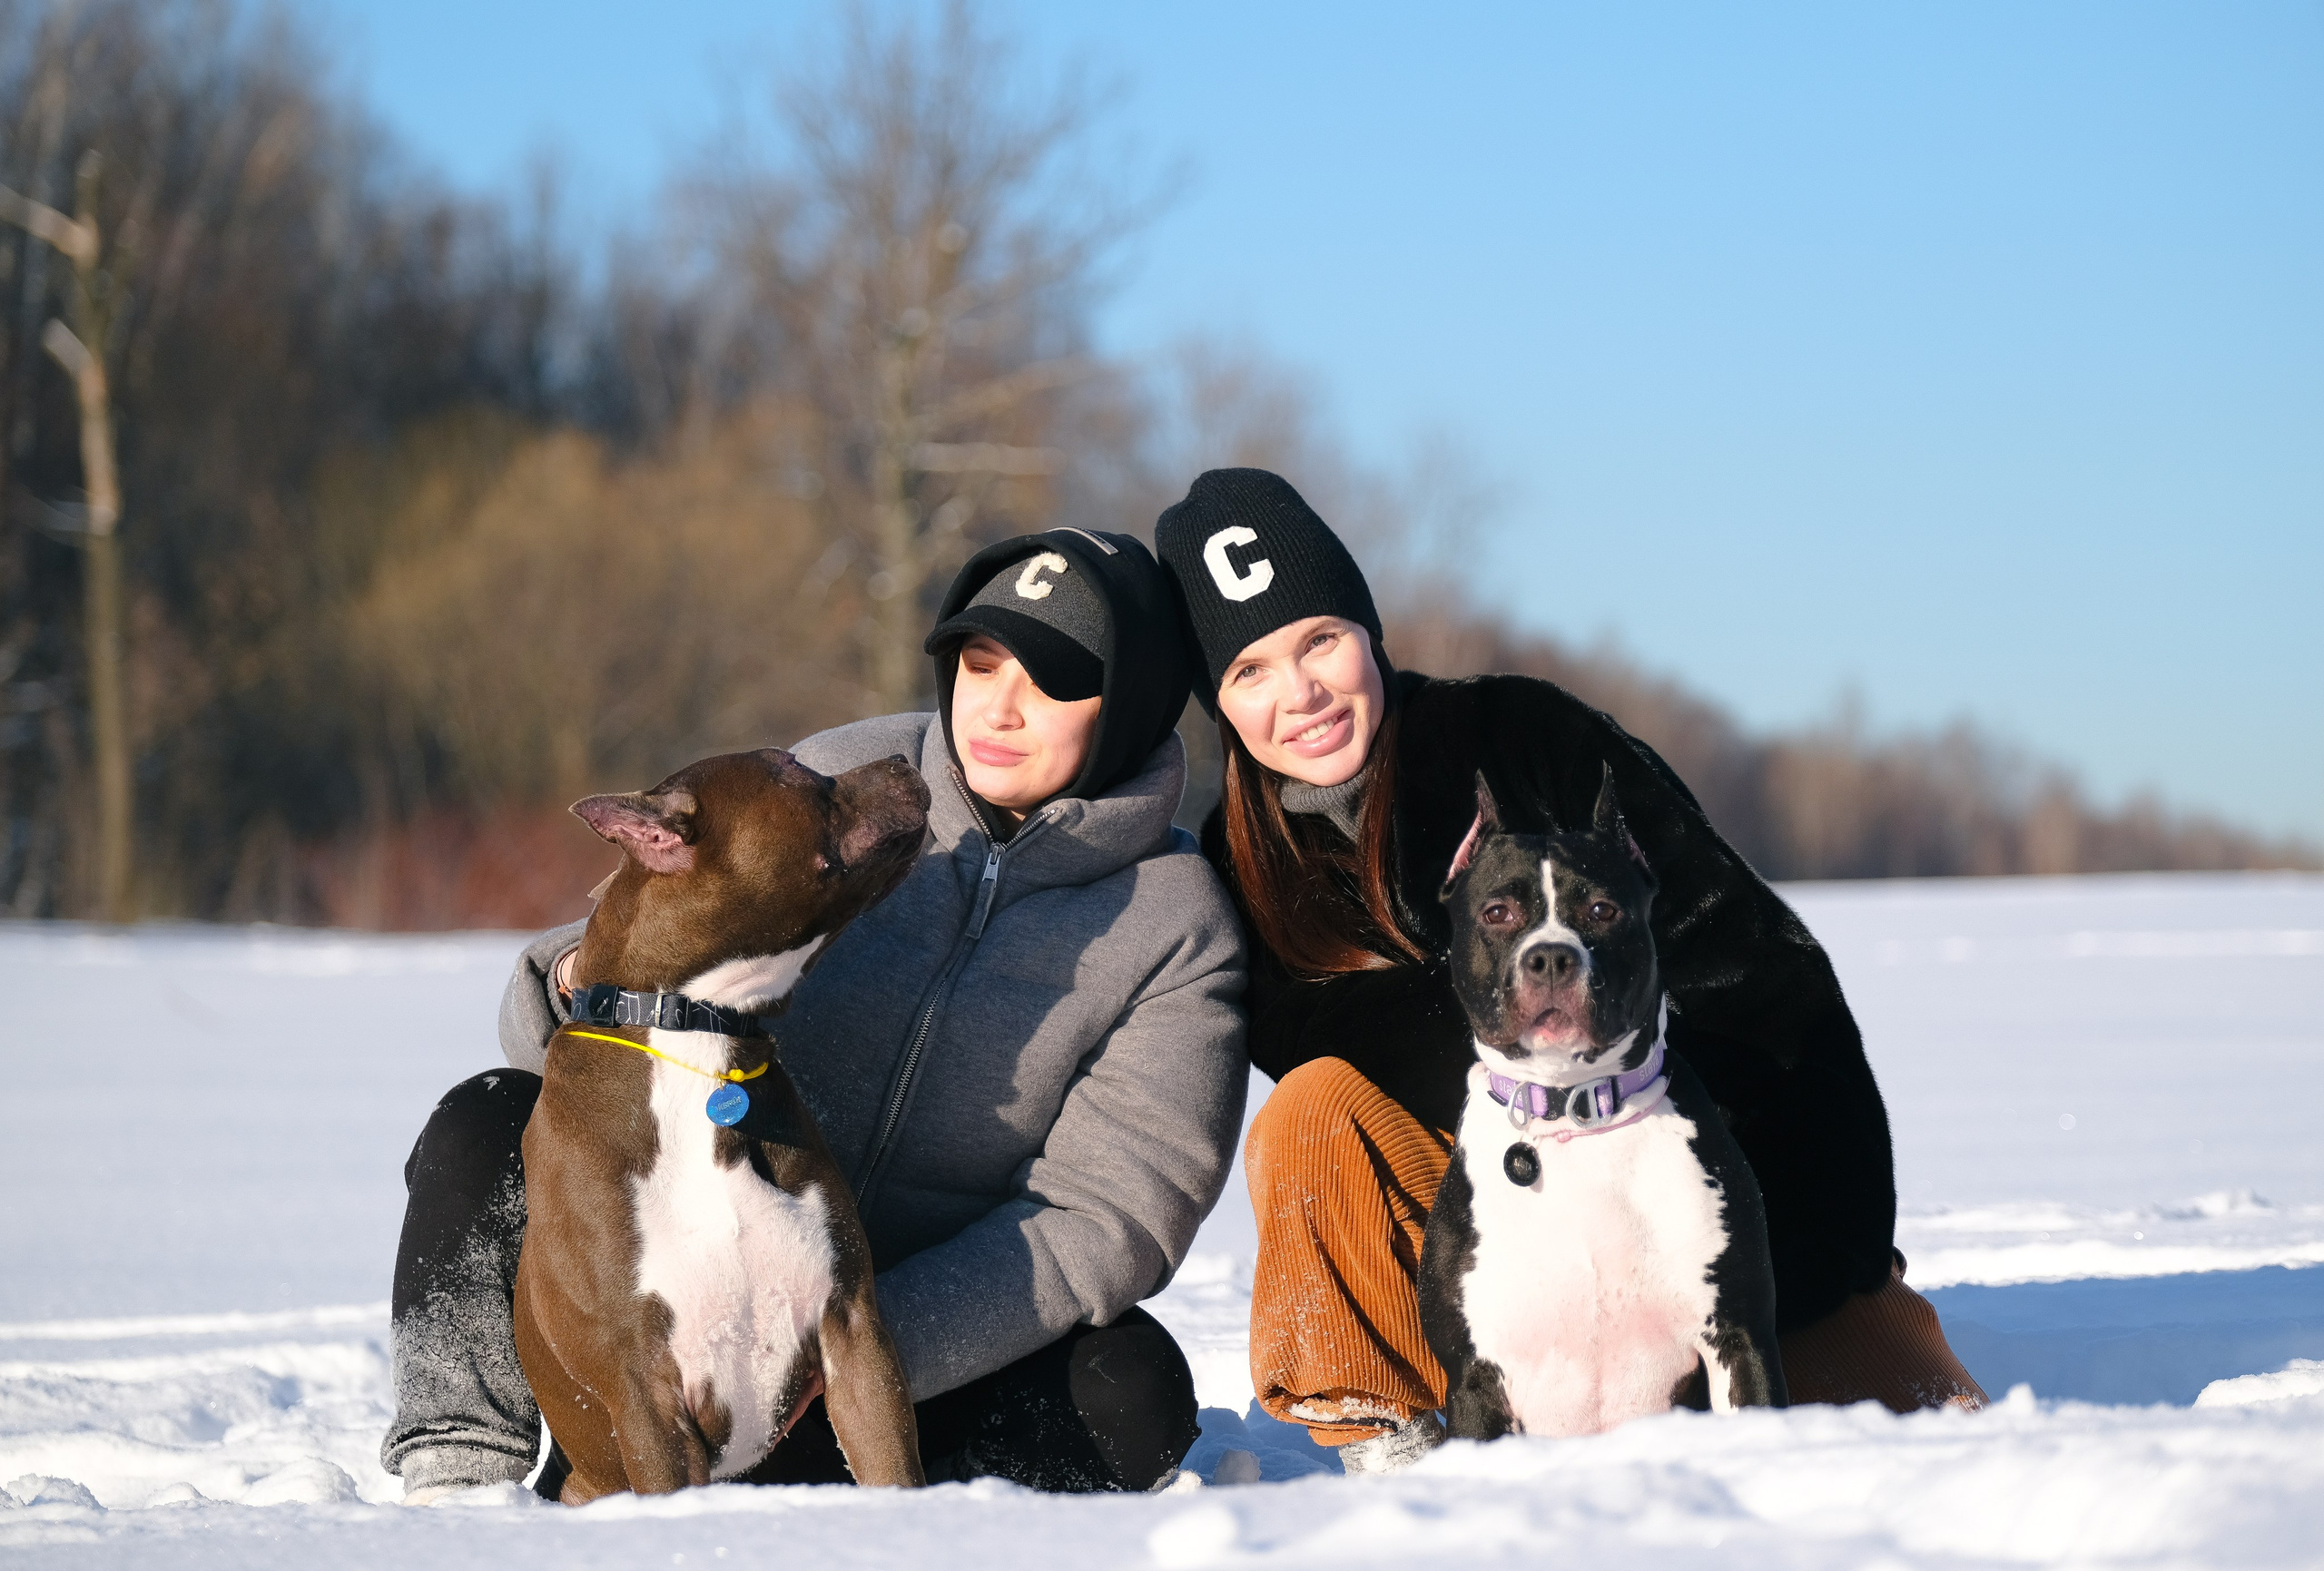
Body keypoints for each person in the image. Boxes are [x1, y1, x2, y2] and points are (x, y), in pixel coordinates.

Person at [382, 528, 1247, 1499]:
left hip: (895, 1361)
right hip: (676, 1291)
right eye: (978, 661)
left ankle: (915, 1525)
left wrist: (839, 1341)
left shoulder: (1176, 921)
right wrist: (576, 979)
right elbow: (637, 929)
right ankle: (461, 1486)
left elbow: (1108, 1218)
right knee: (487, 1118)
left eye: (1051, 681)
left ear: (1124, 706)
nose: (998, 705)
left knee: (1129, 1390)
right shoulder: (846, 773)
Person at [1152, 468, 1986, 1475]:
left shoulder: (1521, 736)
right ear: (1216, 701)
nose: (1302, 694)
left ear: (1367, 631)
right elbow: (1333, 1080)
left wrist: (1804, 1250)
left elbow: (1758, 974)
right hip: (1497, 1229)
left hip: (1681, 1189)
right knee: (1310, 1115)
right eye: (1249, 671)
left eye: (1319, 640)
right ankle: (1397, 1438)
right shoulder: (1240, 869)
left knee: (1933, 1447)